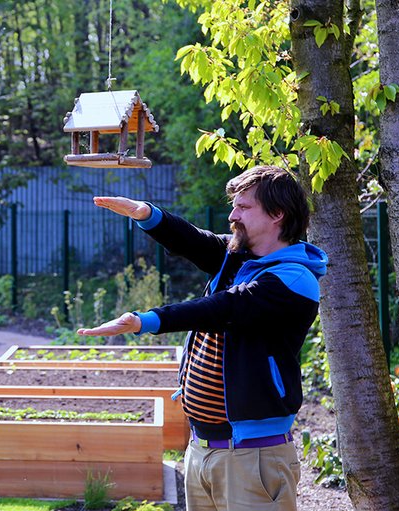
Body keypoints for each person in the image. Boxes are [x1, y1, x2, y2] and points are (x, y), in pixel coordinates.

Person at [77, 165, 327, 511]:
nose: (232, 215)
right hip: (202, 448)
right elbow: (196, 241)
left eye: (243, 207)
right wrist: (146, 214)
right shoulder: (237, 258)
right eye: (233, 205)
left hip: (252, 456)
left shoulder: (293, 279)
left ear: (277, 214)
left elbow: (223, 308)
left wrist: (145, 321)